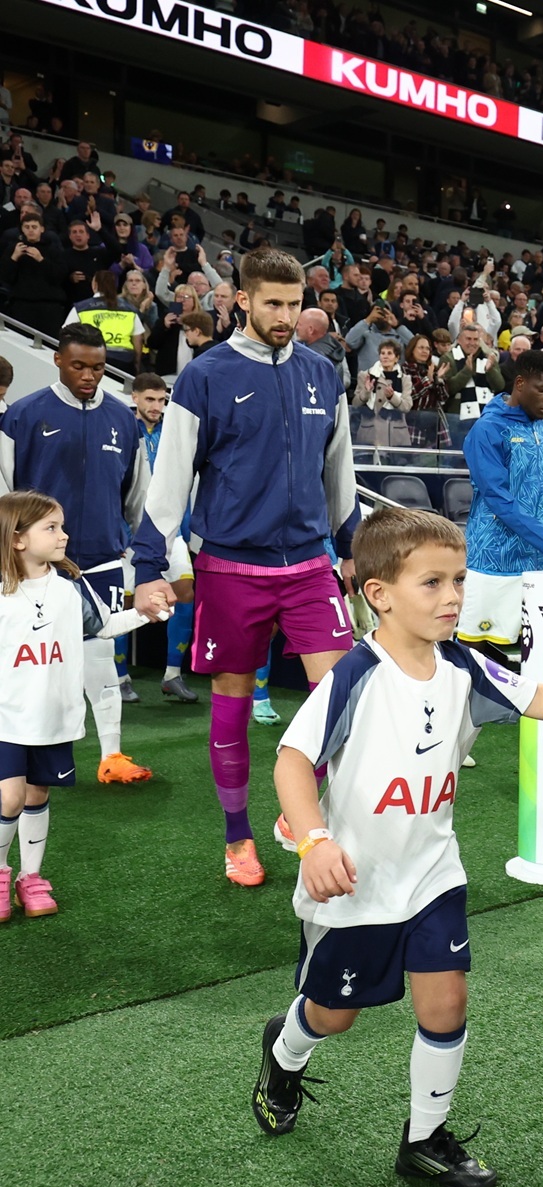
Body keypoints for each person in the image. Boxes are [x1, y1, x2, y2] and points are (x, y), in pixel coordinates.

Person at [251, 506, 543, 1187]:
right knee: (334, 1015)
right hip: (357, 885)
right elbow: (290, 761)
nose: (454, 596)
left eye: (458, 579)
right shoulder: (353, 675)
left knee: (446, 1003)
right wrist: (313, 841)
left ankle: (424, 1140)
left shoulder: (463, 665)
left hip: (432, 876)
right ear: (379, 594)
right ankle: (285, 1051)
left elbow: (538, 697)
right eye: (433, 582)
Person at [131, 249, 360, 889]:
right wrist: (151, 563)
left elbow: (339, 473)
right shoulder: (206, 376)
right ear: (244, 301)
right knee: (230, 700)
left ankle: (296, 813)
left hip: (311, 562)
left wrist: (351, 545)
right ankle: (237, 836)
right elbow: (171, 478)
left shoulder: (322, 374)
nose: (286, 316)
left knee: (342, 694)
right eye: (274, 304)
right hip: (231, 566)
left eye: (295, 305)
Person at [0, 491, 168, 920]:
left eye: (61, 526)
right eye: (51, 528)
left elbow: (107, 625)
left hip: (53, 717)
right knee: (8, 798)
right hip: (6, 716)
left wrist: (146, 613)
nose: (64, 535)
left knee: (37, 793)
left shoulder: (70, 587)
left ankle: (31, 878)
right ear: (17, 539)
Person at [0, 323, 154, 784]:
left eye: (99, 368)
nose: (90, 376)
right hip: (34, 566)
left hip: (102, 560)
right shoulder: (23, 416)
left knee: (100, 654)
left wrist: (140, 549)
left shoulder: (123, 419)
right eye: (80, 366)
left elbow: (139, 494)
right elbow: (5, 491)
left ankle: (112, 756)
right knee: (28, 657)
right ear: (58, 360)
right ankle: (18, 754)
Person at [458, 350, 543, 647]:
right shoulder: (487, 430)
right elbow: (497, 498)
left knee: (537, 651)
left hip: (538, 562)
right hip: (493, 562)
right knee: (478, 653)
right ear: (520, 383)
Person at [130, 373, 197, 703]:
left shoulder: (174, 431)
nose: (157, 407)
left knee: (185, 594)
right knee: (126, 601)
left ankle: (172, 673)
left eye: (162, 400)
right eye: (150, 399)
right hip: (131, 531)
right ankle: (119, 677)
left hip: (172, 532)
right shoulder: (125, 430)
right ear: (135, 398)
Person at [65, 270, 143, 375]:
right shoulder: (130, 310)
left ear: (94, 285)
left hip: (91, 360)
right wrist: (137, 365)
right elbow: (138, 340)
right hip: (123, 362)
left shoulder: (81, 308)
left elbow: (66, 333)